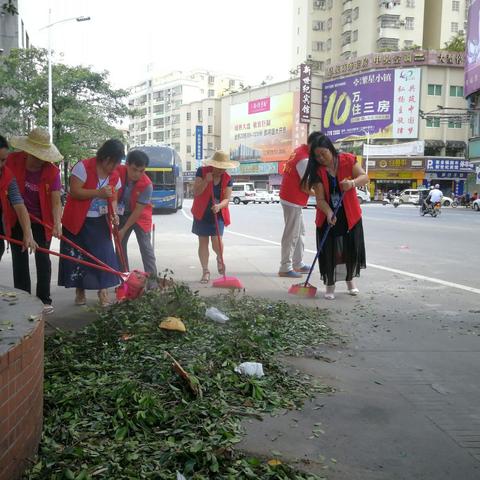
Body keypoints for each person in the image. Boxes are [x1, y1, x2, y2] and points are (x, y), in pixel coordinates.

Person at [302, 133, 368, 300]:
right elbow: (320, 199)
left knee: (349, 249)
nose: (321, 158)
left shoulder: (347, 160)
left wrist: (352, 183)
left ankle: (350, 281)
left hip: (349, 214)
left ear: (330, 148)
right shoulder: (316, 171)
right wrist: (329, 212)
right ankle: (329, 285)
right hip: (328, 216)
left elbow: (365, 177)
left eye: (323, 153)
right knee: (330, 251)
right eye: (317, 156)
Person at [59, 139, 124, 307]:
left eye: (117, 163)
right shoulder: (83, 167)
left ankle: (103, 292)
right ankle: (79, 291)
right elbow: (74, 191)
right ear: (106, 158)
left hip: (100, 221)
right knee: (79, 258)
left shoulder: (115, 176)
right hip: (77, 221)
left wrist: (114, 214)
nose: (115, 167)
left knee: (104, 256)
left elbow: (114, 197)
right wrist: (97, 192)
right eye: (113, 162)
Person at [7, 127, 63, 314]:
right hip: (16, 217)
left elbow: (56, 202)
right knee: (20, 259)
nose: (41, 160)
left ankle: (44, 299)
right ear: (28, 151)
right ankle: (23, 298)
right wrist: (25, 231)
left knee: (43, 258)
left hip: (42, 220)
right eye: (37, 155)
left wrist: (56, 224)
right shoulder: (12, 161)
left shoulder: (52, 171)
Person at [191, 150, 238, 284]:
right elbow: (196, 192)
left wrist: (219, 206)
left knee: (217, 240)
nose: (221, 171)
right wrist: (206, 181)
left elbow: (227, 199)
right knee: (203, 241)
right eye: (219, 168)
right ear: (213, 165)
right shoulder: (202, 171)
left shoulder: (227, 179)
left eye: (223, 168)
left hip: (217, 212)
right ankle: (205, 271)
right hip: (201, 212)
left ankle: (219, 257)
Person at [278, 131, 321, 278]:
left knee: (300, 232)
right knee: (292, 234)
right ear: (313, 145)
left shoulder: (300, 150)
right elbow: (306, 187)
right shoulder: (304, 159)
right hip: (292, 200)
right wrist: (323, 196)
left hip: (290, 198)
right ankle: (285, 267)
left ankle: (298, 263)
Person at [116, 150, 157, 287]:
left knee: (146, 247)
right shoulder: (117, 172)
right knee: (120, 246)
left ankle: (152, 283)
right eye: (134, 170)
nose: (137, 174)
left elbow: (138, 211)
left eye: (142, 171)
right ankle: (125, 281)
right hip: (121, 214)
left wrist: (124, 229)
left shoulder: (147, 185)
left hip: (140, 215)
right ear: (127, 164)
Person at [0, 135, 37, 262]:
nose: (0, 165)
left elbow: (19, 205)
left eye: (3, 160)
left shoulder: (8, 176)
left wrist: (28, 234)